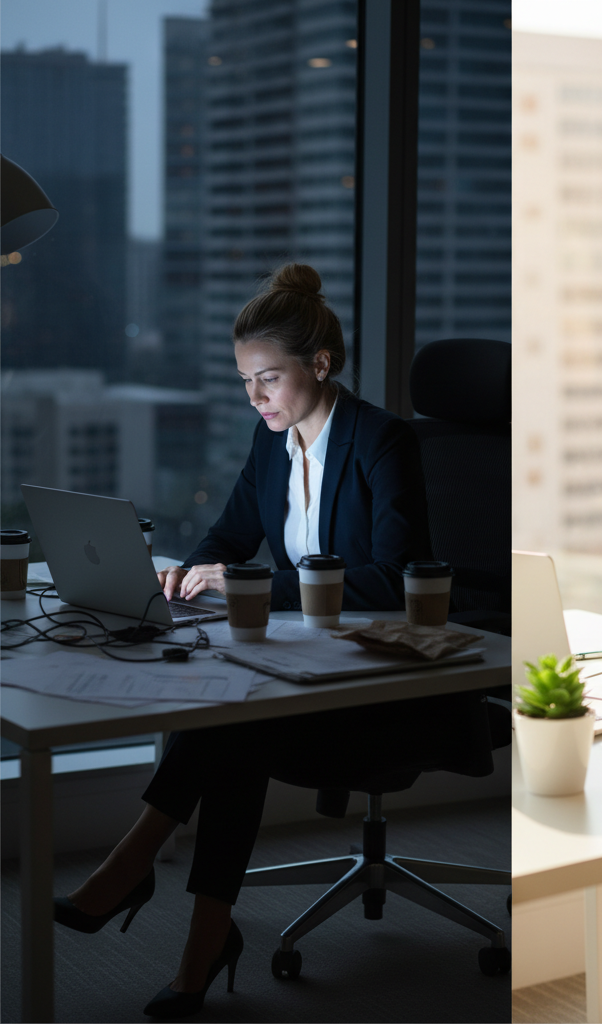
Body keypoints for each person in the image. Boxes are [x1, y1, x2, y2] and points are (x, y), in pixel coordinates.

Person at [51, 264, 485, 1018]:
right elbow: (231, 533)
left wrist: (249, 586)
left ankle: (140, 874)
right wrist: (185, 576)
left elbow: (390, 579)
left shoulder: (383, 442)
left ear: (319, 365)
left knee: (235, 721)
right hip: (300, 666)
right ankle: (200, 937)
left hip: (384, 678)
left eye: (268, 380)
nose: (254, 398)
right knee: (234, 715)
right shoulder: (271, 443)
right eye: (245, 380)